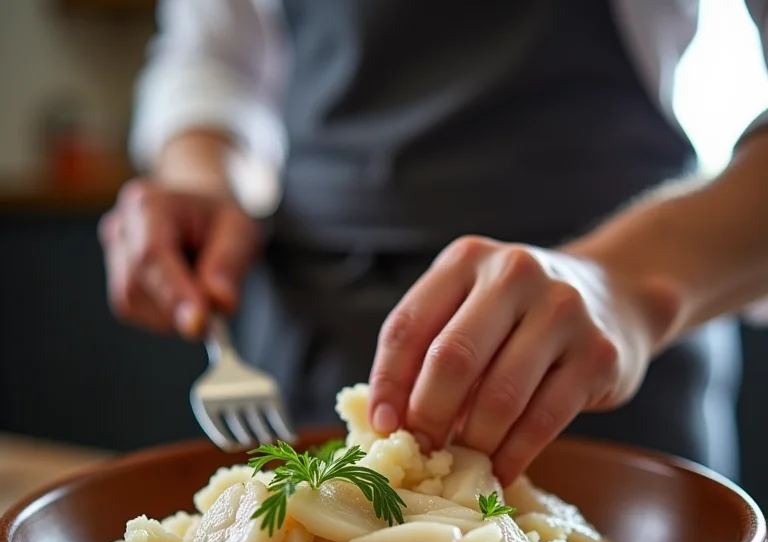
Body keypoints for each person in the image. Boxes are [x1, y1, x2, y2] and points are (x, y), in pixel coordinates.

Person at [99, 0, 768, 486]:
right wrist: (202, 177)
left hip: (601, 357)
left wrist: (623, 283)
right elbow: (215, 60)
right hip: (307, 332)